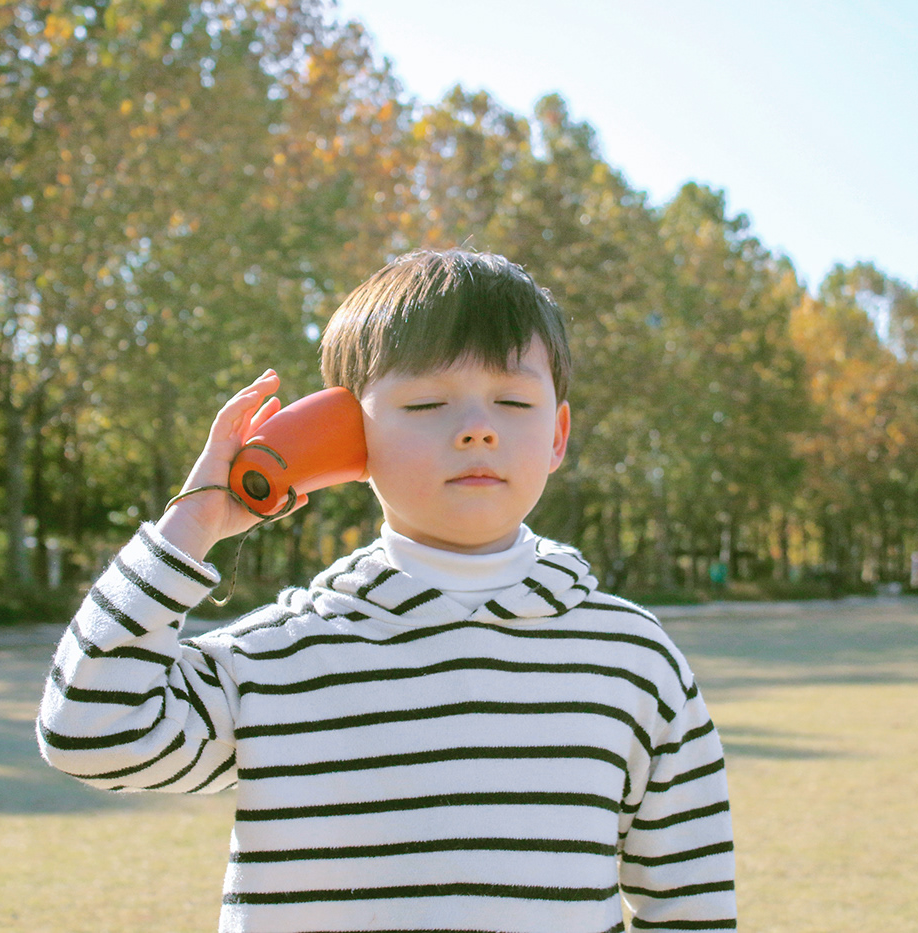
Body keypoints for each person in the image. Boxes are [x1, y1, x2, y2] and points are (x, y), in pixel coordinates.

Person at [37, 249, 736, 932]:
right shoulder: (278, 658)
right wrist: (193, 522)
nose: (477, 428)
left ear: (557, 435)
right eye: (427, 401)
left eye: (513, 399)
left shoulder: (634, 659)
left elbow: (692, 907)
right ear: (345, 434)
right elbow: (89, 732)